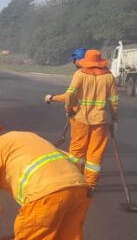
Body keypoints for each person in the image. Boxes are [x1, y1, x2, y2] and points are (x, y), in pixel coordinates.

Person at [45, 49, 119, 187]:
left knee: (77, 152)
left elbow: (70, 95)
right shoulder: (109, 77)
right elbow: (114, 101)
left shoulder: (80, 75)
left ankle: (75, 181)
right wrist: (114, 120)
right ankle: (91, 184)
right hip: (101, 121)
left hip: (80, 119)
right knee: (95, 155)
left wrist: (68, 110)